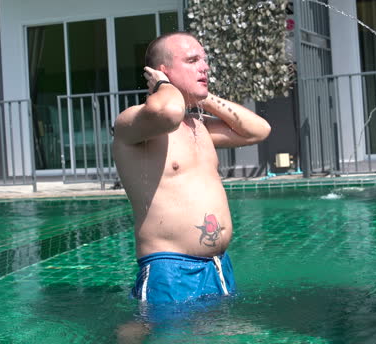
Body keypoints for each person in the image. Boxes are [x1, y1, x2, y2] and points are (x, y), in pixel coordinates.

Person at [112, 31, 271, 305]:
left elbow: (258, 130)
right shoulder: (133, 123)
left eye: (204, 60)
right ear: (162, 72)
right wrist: (165, 86)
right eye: (193, 60)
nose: (205, 66)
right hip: (171, 271)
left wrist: (202, 97)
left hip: (218, 266)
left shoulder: (199, 126)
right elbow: (169, 112)